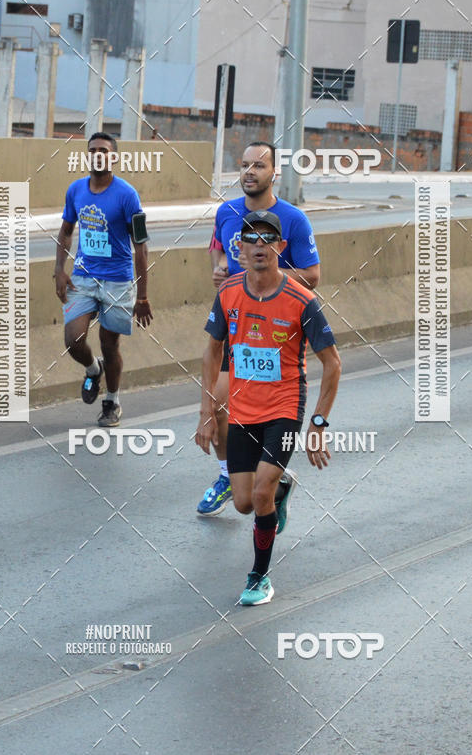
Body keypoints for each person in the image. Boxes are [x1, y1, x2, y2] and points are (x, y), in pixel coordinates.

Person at [196, 211, 341, 606]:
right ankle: (281, 487)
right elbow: (211, 352)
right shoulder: (229, 292)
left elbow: (333, 363)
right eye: (251, 238)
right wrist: (207, 412)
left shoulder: (301, 300)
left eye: (267, 239)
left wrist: (318, 424)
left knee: (260, 494)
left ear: (281, 246)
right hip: (243, 410)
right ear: (239, 248)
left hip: (284, 407)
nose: (259, 245)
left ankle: (259, 577)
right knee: (244, 503)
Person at [197, 141, 320, 517]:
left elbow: (312, 276)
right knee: (218, 404)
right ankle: (227, 475)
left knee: (265, 416)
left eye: (259, 166)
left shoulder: (293, 219)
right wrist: (220, 267)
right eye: (245, 165)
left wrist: (265, 274)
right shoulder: (227, 212)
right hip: (236, 328)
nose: (250, 172)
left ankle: (273, 478)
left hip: (274, 336)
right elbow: (218, 248)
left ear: (274, 173)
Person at [54, 132, 153, 427]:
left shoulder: (128, 195)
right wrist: (59, 269)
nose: (98, 155)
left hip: (117, 281)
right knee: (73, 339)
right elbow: (66, 231)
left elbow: (141, 246)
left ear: (114, 157)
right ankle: (92, 369)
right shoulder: (76, 190)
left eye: (104, 151)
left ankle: (112, 402)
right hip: (83, 277)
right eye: (93, 150)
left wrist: (142, 296)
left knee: (109, 346)